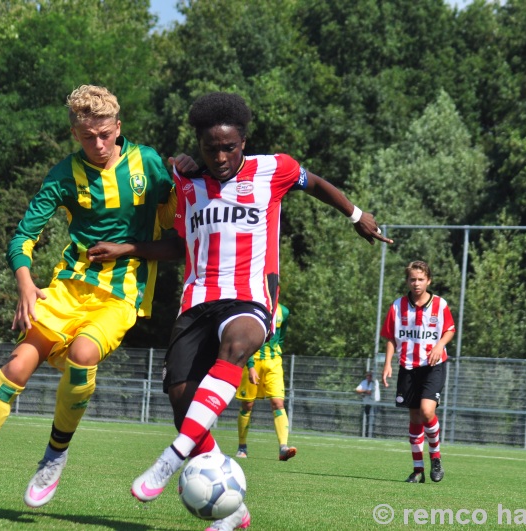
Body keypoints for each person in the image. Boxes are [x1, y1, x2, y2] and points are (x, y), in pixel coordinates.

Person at [88, 91, 392, 531]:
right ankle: (234, 511)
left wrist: (356, 214)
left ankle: (171, 459)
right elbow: (178, 244)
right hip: (197, 300)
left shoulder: (274, 170)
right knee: (179, 396)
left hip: (250, 296)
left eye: (229, 147)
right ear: (199, 144)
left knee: (238, 344)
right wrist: (127, 247)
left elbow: (317, 184)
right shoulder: (185, 182)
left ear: (244, 141)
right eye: (211, 148)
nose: (221, 156)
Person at [0, 85, 184, 509]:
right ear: (75, 135)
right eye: (86, 137)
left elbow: (175, 213)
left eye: (104, 135)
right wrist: (25, 282)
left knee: (82, 355)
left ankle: (54, 456)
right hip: (66, 289)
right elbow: (23, 237)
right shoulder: (64, 175)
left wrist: (183, 175)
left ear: (118, 127)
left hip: (120, 296)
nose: (97, 145)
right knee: (16, 366)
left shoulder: (147, 162)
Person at [381, 260, 455, 484]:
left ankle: (436, 457)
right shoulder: (397, 306)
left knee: (426, 411)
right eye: (412, 279)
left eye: (421, 279)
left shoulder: (440, 305)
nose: (416, 283)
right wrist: (387, 364)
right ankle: (418, 470)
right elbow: (391, 338)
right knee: (414, 418)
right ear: (407, 281)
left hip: (433, 366)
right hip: (408, 367)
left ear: (428, 281)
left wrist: (440, 345)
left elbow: (450, 330)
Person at [235, 302, 296, 461]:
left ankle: (283, 447)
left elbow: (281, 338)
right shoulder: (253, 308)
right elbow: (246, 339)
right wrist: (250, 365)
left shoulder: (284, 311)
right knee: (247, 404)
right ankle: (242, 447)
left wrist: (277, 354)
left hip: (274, 362)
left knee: (278, 402)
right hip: (252, 361)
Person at [355, 371, 380, 438]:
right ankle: (367, 435)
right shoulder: (364, 382)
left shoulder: (375, 382)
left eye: (370, 376)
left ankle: (372, 435)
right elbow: (357, 390)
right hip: (367, 404)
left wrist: (363, 392)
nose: (368, 377)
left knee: (373, 420)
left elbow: (369, 392)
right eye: (367, 375)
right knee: (368, 419)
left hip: (374, 404)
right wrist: (365, 392)